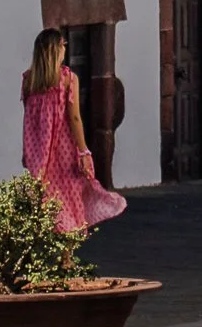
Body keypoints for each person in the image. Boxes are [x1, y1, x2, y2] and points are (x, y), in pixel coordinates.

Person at [20, 29, 127, 230]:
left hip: (38, 153)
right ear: (55, 49)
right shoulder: (67, 79)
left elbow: (28, 119)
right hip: (64, 149)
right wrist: (83, 150)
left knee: (44, 198)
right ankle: (66, 255)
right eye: (63, 46)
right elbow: (75, 117)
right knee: (69, 195)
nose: (64, 50)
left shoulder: (29, 80)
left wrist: (26, 151)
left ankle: (49, 245)